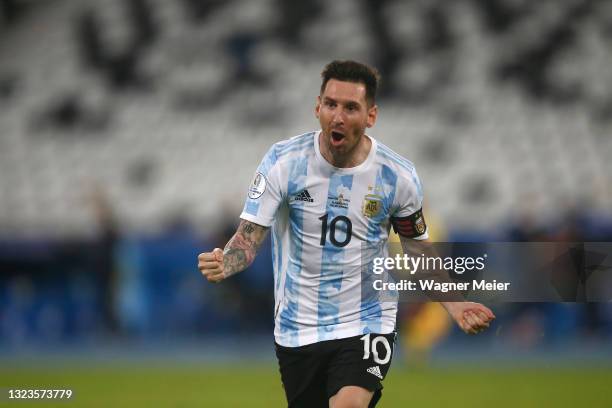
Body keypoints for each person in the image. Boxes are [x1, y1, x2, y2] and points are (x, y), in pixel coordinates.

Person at [198, 60, 495, 408]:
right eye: (331, 104)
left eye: (350, 107)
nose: (338, 116)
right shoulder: (284, 162)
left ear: (371, 116)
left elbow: (418, 252)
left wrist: (455, 305)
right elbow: (248, 240)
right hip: (298, 326)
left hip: (368, 319)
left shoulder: (396, 177)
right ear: (317, 107)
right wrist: (226, 261)